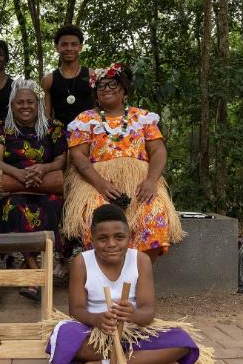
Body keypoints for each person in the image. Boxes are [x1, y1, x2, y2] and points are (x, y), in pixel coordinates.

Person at [46, 204, 213, 364]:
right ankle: (147, 361)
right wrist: (97, 319)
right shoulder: (82, 262)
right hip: (95, 332)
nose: (111, 244)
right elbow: (76, 310)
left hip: (134, 331)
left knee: (182, 342)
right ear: (91, 239)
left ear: (130, 238)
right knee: (66, 336)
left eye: (119, 237)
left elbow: (148, 311)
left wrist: (133, 314)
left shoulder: (141, 260)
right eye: (103, 238)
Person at [63, 63, 184, 263]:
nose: (107, 89)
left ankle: (139, 276)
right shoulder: (85, 119)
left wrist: (152, 181)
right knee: (97, 213)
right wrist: (100, 184)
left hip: (141, 181)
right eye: (101, 86)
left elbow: (158, 150)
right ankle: (107, 278)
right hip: (96, 182)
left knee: (153, 210)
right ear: (95, 92)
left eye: (113, 84)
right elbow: (79, 156)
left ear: (124, 89)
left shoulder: (142, 117)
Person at [0, 78, 67, 301]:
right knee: (15, 209)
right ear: (12, 105)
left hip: (45, 184)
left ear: (38, 103)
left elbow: (61, 159)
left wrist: (44, 168)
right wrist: (18, 174)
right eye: (20, 102)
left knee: (52, 206)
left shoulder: (53, 128)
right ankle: (34, 272)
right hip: (15, 186)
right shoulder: (2, 128)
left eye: (30, 102)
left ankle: (38, 265)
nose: (25, 106)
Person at [41, 25, 94, 128]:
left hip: (90, 135)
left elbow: (99, 108)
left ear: (80, 47)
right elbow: (46, 116)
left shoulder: (92, 75)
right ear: (57, 47)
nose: (69, 48)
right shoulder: (48, 80)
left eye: (74, 44)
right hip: (60, 136)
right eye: (64, 44)